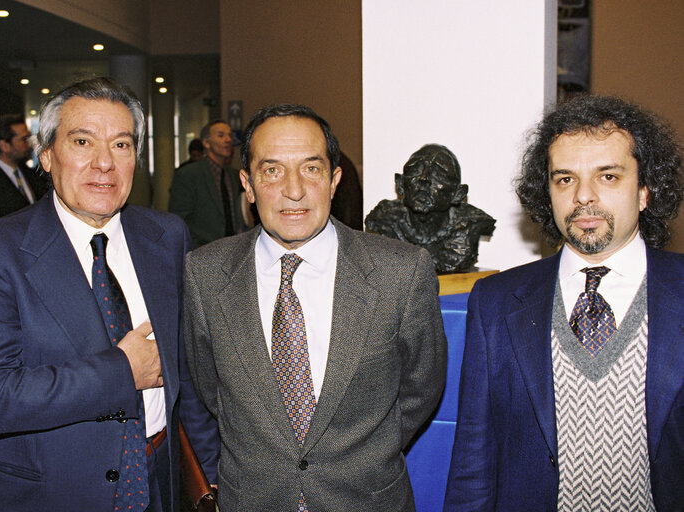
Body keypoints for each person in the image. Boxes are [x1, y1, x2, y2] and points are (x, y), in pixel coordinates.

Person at [0, 77, 219, 512]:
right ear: (46, 155)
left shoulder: (166, 236)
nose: (104, 163)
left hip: (160, 480)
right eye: (82, 141)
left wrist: (208, 481)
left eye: (121, 145)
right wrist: (121, 371)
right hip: (55, 492)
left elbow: (187, 377)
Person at [183, 103, 447, 511]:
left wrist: (362, 455)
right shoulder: (205, 273)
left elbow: (421, 387)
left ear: (334, 179)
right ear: (247, 185)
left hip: (367, 498)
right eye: (272, 171)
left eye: (311, 168)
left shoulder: (402, 271)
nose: (294, 189)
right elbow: (209, 389)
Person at [444, 95, 684, 511]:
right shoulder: (496, 303)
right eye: (565, 179)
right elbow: (473, 460)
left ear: (645, 191)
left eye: (608, 177)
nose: (583, 197)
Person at [365, 144, 495, 273]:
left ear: (458, 194)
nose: (424, 179)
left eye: (438, 174)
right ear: (400, 184)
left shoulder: (470, 224)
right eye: (416, 170)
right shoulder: (384, 218)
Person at [168, 120, 243, 248]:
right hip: (202, 250)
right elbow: (179, 219)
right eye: (221, 135)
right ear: (206, 143)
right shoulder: (188, 174)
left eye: (230, 135)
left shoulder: (234, 175)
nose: (228, 140)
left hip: (233, 249)